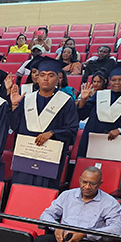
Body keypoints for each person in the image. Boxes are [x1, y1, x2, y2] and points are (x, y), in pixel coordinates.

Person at [8, 57, 79, 189]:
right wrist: (14, 105)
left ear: (58, 79)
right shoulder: (27, 99)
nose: (46, 79)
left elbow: (72, 128)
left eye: (51, 75)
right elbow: (15, 126)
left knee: (44, 190)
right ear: (37, 78)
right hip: (26, 153)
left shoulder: (65, 101)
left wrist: (52, 133)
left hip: (49, 156)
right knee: (21, 188)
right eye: (42, 75)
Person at [76, 63, 121, 156]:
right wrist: (83, 100)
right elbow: (82, 115)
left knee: (114, 168)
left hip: (119, 140)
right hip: (93, 139)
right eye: (114, 80)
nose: (117, 82)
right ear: (109, 81)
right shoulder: (100, 95)